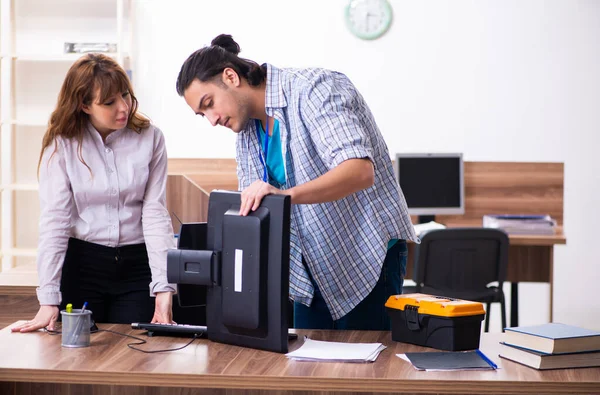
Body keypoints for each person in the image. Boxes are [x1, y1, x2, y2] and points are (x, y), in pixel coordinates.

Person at [175, 34, 418, 330]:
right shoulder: (247, 134)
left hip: (364, 256)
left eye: (209, 103)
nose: (212, 120)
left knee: (362, 368)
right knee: (309, 369)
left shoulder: (315, 89)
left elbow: (359, 171)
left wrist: (284, 195)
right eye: (203, 115)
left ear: (230, 76)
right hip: (310, 271)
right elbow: (258, 207)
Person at [12, 53, 176, 333]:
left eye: (125, 95)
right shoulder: (62, 144)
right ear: (84, 104)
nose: (123, 107)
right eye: (109, 102)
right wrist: (49, 298)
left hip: (137, 267)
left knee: (134, 356)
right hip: (82, 266)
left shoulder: (150, 138)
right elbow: (55, 220)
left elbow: (155, 214)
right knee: (75, 357)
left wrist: (163, 289)